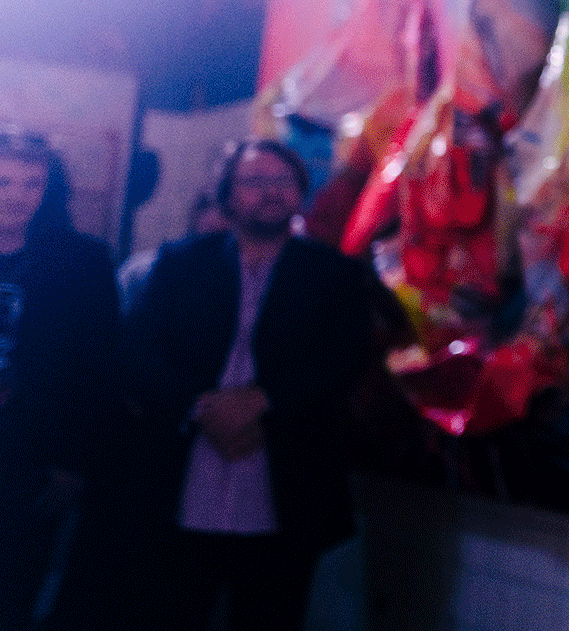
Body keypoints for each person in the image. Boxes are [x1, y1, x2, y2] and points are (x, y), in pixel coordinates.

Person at [123, 139, 384, 631]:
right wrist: (200, 407)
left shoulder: (332, 273)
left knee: (271, 616)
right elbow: (140, 349)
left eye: (283, 181)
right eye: (254, 181)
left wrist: (264, 401)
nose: (271, 192)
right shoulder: (182, 263)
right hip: (182, 470)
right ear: (227, 194)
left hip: (285, 476)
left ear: (300, 192)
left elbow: (345, 358)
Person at [0, 128, 121, 630]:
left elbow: (99, 372)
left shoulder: (82, 261)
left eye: (31, 183)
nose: (16, 196)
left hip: (31, 454)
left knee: (14, 593)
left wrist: (72, 463)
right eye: (4, 182)